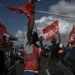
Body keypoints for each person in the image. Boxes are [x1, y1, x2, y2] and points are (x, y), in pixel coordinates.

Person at [23, 4, 45, 75]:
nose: (34, 36)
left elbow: (43, 54)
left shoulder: (37, 47)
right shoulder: (27, 44)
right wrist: (33, 16)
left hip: (35, 72)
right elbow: (30, 29)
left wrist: (41, 43)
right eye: (33, 35)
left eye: (35, 35)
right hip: (29, 72)